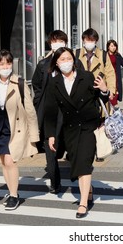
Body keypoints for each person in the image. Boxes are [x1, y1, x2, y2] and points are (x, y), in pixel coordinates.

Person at [44, 47, 110, 218]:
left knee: (84, 164)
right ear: (57, 63)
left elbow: (101, 98)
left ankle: (82, 203)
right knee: (76, 162)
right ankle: (88, 189)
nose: (66, 62)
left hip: (89, 126)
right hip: (70, 129)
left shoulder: (86, 76)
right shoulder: (54, 82)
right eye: (62, 59)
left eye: (68, 58)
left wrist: (104, 89)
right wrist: (51, 135)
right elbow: (50, 110)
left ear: (73, 60)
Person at [0, 49, 39, 210]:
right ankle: (11, 191)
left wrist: (34, 135)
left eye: (8, 63)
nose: (5, 66)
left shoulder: (19, 83)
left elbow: (30, 110)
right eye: (1, 63)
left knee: (11, 162)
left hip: (14, 129)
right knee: (3, 162)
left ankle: (14, 195)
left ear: (12, 64)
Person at [32, 30, 70, 194]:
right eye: (55, 41)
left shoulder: (72, 62)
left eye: (61, 41)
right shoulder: (43, 64)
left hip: (68, 113)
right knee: (50, 149)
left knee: (65, 146)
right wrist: (38, 107)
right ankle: (55, 182)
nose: (58, 43)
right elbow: (37, 86)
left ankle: (80, 175)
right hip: (50, 114)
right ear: (50, 43)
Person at [75, 28, 116, 162]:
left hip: (99, 95)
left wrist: (111, 90)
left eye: (92, 40)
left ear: (96, 41)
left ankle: (99, 150)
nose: (89, 43)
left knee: (99, 123)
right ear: (83, 40)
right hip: (81, 94)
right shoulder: (76, 54)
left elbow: (110, 73)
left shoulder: (103, 55)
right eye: (87, 40)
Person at [106, 39, 123, 106]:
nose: (114, 48)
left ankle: (112, 114)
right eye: (112, 46)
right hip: (107, 78)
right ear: (108, 47)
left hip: (116, 79)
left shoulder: (118, 56)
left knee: (114, 98)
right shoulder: (105, 55)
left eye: (115, 46)